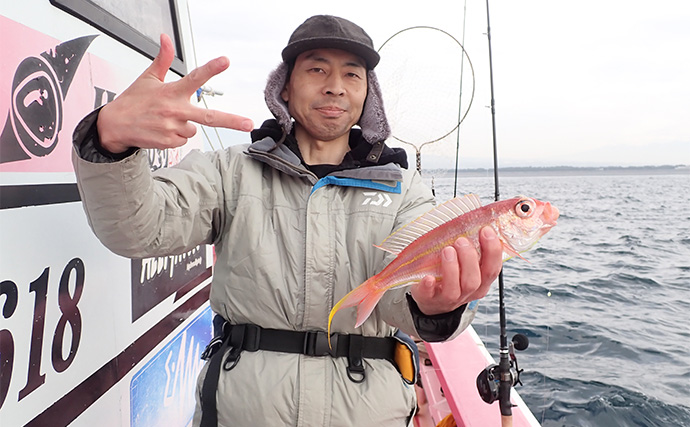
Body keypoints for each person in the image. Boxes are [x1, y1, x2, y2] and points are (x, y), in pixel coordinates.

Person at [72, 15, 502, 427]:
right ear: (285, 87)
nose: (335, 87)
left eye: (352, 75)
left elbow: (404, 300)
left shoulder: (406, 188)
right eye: (317, 69)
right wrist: (110, 143)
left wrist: (439, 305)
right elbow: (138, 229)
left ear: (368, 95)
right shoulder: (230, 170)